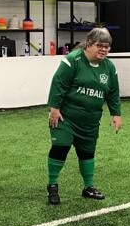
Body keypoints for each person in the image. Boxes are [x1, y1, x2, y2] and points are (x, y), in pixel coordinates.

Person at [46, 27, 122, 204]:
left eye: (107, 47)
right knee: (60, 147)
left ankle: (88, 187)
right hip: (66, 118)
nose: (103, 49)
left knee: (87, 153)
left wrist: (116, 114)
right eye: (99, 45)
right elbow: (58, 83)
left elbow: (113, 92)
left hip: (90, 120)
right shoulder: (73, 60)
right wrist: (54, 109)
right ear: (89, 44)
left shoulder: (109, 67)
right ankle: (52, 186)